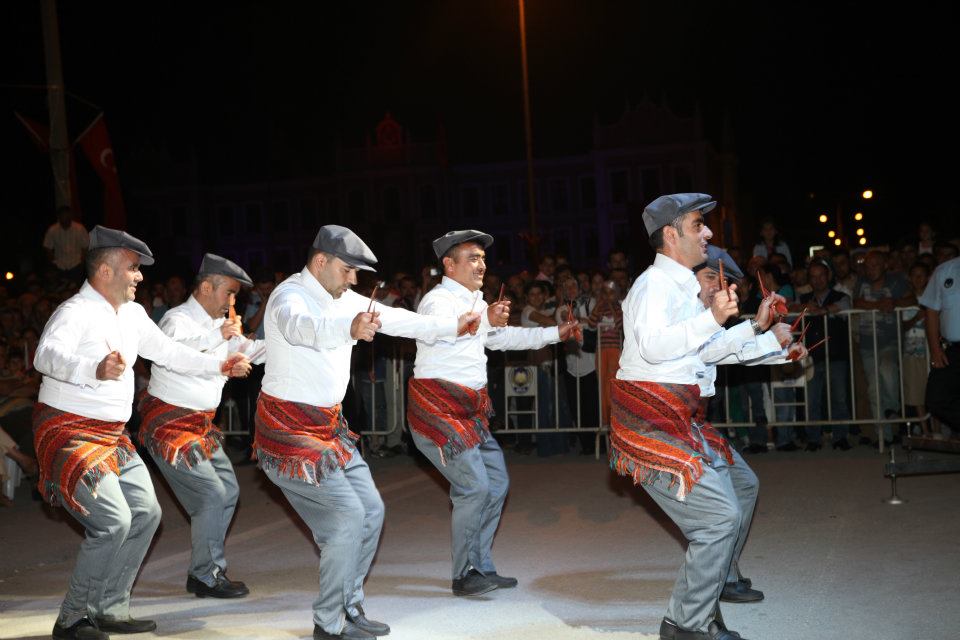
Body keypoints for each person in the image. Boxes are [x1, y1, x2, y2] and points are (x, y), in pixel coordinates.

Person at [253, 225, 479, 640]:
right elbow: (300, 327)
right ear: (320, 261)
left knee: (371, 511)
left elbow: (402, 321)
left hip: (329, 430)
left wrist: (454, 325)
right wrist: (348, 329)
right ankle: (329, 623)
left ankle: (348, 605)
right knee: (347, 517)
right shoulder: (289, 296)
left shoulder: (344, 297)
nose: (354, 279)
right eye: (347, 270)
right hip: (289, 432)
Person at [32, 226, 249, 640]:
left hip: (113, 437)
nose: (140, 276)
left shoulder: (132, 314)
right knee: (113, 521)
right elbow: (46, 355)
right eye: (133, 268)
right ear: (106, 270)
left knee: (147, 513)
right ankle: (72, 618)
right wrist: (92, 368)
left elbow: (168, 352)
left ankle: (109, 608)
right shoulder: (74, 311)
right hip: (70, 431)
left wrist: (217, 365)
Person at [612, 194, 785, 640]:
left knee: (739, 489)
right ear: (671, 235)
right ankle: (686, 624)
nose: (708, 232)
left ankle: (709, 592)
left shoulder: (681, 289)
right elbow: (654, 347)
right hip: (652, 421)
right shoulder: (654, 285)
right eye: (697, 225)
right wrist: (712, 318)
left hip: (679, 418)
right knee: (717, 519)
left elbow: (705, 351)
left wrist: (761, 332)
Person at [407, 230, 577, 597]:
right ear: (449, 265)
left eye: (483, 258)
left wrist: (555, 334)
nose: (481, 264)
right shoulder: (437, 302)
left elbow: (504, 338)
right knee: (474, 486)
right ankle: (463, 574)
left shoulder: (477, 303)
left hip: (469, 413)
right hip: (439, 412)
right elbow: (443, 333)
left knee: (496, 482)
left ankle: (480, 565)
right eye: (472, 257)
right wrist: (485, 317)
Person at [138, 254, 263, 600]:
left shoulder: (222, 324)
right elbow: (171, 354)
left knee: (228, 492)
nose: (232, 302)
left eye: (235, 295)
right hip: (170, 424)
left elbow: (251, 350)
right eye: (229, 293)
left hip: (200, 425)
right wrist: (217, 335)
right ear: (206, 287)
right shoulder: (176, 320)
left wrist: (293, 349)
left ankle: (204, 569)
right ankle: (206, 574)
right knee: (211, 495)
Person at [920, 255, 960, 438]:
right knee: (936, 398)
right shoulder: (945, 271)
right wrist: (935, 350)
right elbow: (931, 311)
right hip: (953, 349)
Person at [43, 206, 89, 283]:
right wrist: (53, 262)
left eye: (67, 217)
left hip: (76, 264)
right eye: (63, 217)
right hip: (60, 265)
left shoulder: (79, 229)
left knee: (75, 287)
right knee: (62, 287)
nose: (65, 220)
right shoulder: (52, 230)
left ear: (70, 216)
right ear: (59, 217)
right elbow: (47, 246)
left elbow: (86, 246)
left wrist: (82, 262)